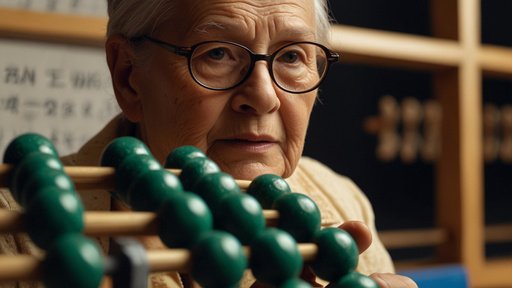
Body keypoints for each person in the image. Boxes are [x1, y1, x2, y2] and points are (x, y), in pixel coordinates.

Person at [0, 0, 417, 287]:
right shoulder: (16, 233)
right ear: (128, 76)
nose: (264, 96)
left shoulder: (344, 205)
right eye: (217, 53)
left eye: (291, 56)